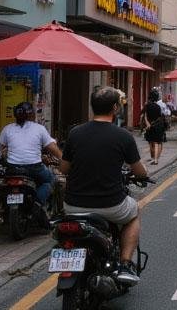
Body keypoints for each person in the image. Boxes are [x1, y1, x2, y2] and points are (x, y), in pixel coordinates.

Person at [61, 87, 148, 286]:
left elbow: (64, 168)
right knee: (133, 213)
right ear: (115, 108)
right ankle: (125, 263)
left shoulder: (75, 133)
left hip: (73, 206)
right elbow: (140, 171)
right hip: (111, 206)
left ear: (92, 108)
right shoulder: (123, 136)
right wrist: (142, 175)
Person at [0, 102, 61, 217]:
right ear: (31, 115)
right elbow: (53, 149)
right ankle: (37, 203)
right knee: (50, 180)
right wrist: (64, 160)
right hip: (34, 168)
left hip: (12, 169)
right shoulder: (39, 129)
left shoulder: (7, 129)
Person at [140, 91, 168, 166]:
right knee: (157, 143)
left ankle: (153, 157)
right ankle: (156, 159)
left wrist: (147, 124)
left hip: (150, 126)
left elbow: (144, 115)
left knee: (151, 142)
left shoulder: (147, 106)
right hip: (158, 125)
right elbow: (161, 116)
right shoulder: (158, 106)